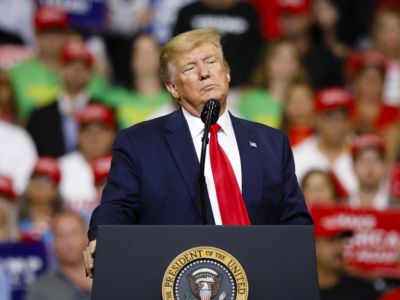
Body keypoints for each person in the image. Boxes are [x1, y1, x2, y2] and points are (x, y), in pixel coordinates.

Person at [84, 27, 312, 277]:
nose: (204, 73)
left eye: (211, 62)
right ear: (172, 88)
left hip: (260, 280)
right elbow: (117, 206)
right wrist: (100, 238)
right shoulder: (139, 143)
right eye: (190, 68)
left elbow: (295, 220)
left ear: (226, 72)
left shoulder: (271, 143)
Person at [27, 41, 97, 157]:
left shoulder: (107, 112)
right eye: (70, 65)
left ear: (90, 73)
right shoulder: (39, 116)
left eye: (82, 66)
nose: (76, 71)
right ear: (59, 69)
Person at [25, 212, 91, 300]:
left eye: (74, 234)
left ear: (86, 237)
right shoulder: (40, 289)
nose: (69, 242)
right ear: (53, 244)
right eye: (61, 236)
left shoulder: (106, 279)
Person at [313, 216, 381, 300]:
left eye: (342, 240)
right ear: (312, 245)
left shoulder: (363, 291)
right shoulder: (296, 290)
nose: (340, 248)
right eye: (331, 240)